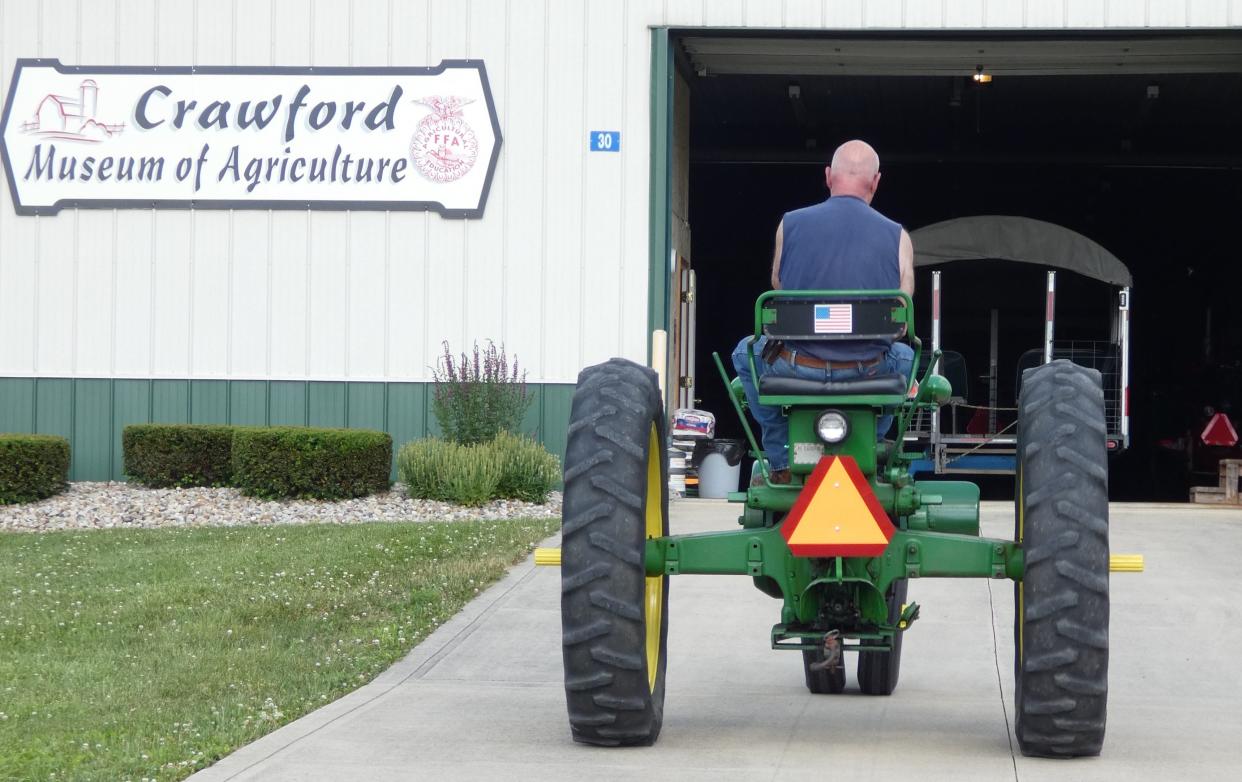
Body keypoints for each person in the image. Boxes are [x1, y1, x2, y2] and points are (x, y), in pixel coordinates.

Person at [732, 139, 915, 484]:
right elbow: (901, 320)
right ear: (875, 182)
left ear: (828, 176)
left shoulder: (789, 224)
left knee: (745, 352)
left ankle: (780, 460)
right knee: (906, 360)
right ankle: (870, 448)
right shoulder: (898, 236)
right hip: (868, 373)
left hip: (799, 368)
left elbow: (779, 289)